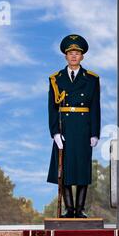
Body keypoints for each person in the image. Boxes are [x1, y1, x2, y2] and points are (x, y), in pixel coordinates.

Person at [47, 34, 101, 218]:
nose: (73, 56)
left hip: (84, 128)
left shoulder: (92, 79)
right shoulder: (56, 79)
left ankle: (80, 209)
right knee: (66, 168)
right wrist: (54, 132)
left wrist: (95, 133)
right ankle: (69, 209)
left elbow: (95, 107)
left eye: (77, 53)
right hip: (65, 128)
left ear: (82, 56)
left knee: (83, 168)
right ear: (65, 56)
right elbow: (52, 108)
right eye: (70, 53)